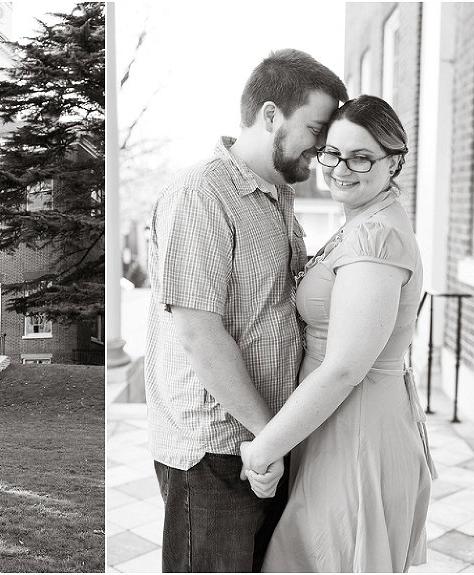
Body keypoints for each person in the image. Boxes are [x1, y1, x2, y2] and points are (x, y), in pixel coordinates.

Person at [145, 48, 348, 572]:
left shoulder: (279, 197)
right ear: (271, 115)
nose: (323, 148)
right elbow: (199, 334)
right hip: (215, 453)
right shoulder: (202, 192)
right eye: (316, 129)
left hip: (265, 442)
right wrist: (268, 437)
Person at [241, 95, 437, 572]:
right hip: (336, 424)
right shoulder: (362, 221)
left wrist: (263, 449)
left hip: (357, 432)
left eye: (362, 156)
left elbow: (346, 366)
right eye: (332, 152)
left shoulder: (376, 238)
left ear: (394, 163)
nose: (341, 168)